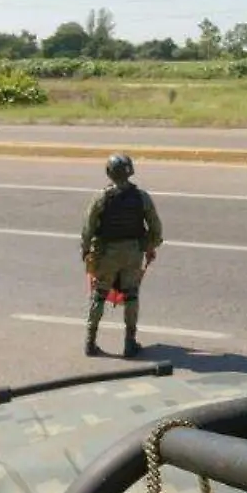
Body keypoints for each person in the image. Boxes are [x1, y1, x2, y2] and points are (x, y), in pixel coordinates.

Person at [80, 153, 163, 358]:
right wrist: (150, 246)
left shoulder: (100, 198)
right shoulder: (142, 197)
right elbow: (156, 227)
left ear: (109, 173)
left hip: (106, 252)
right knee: (131, 295)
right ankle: (129, 342)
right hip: (132, 252)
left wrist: (86, 252)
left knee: (99, 295)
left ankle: (90, 343)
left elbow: (88, 228)